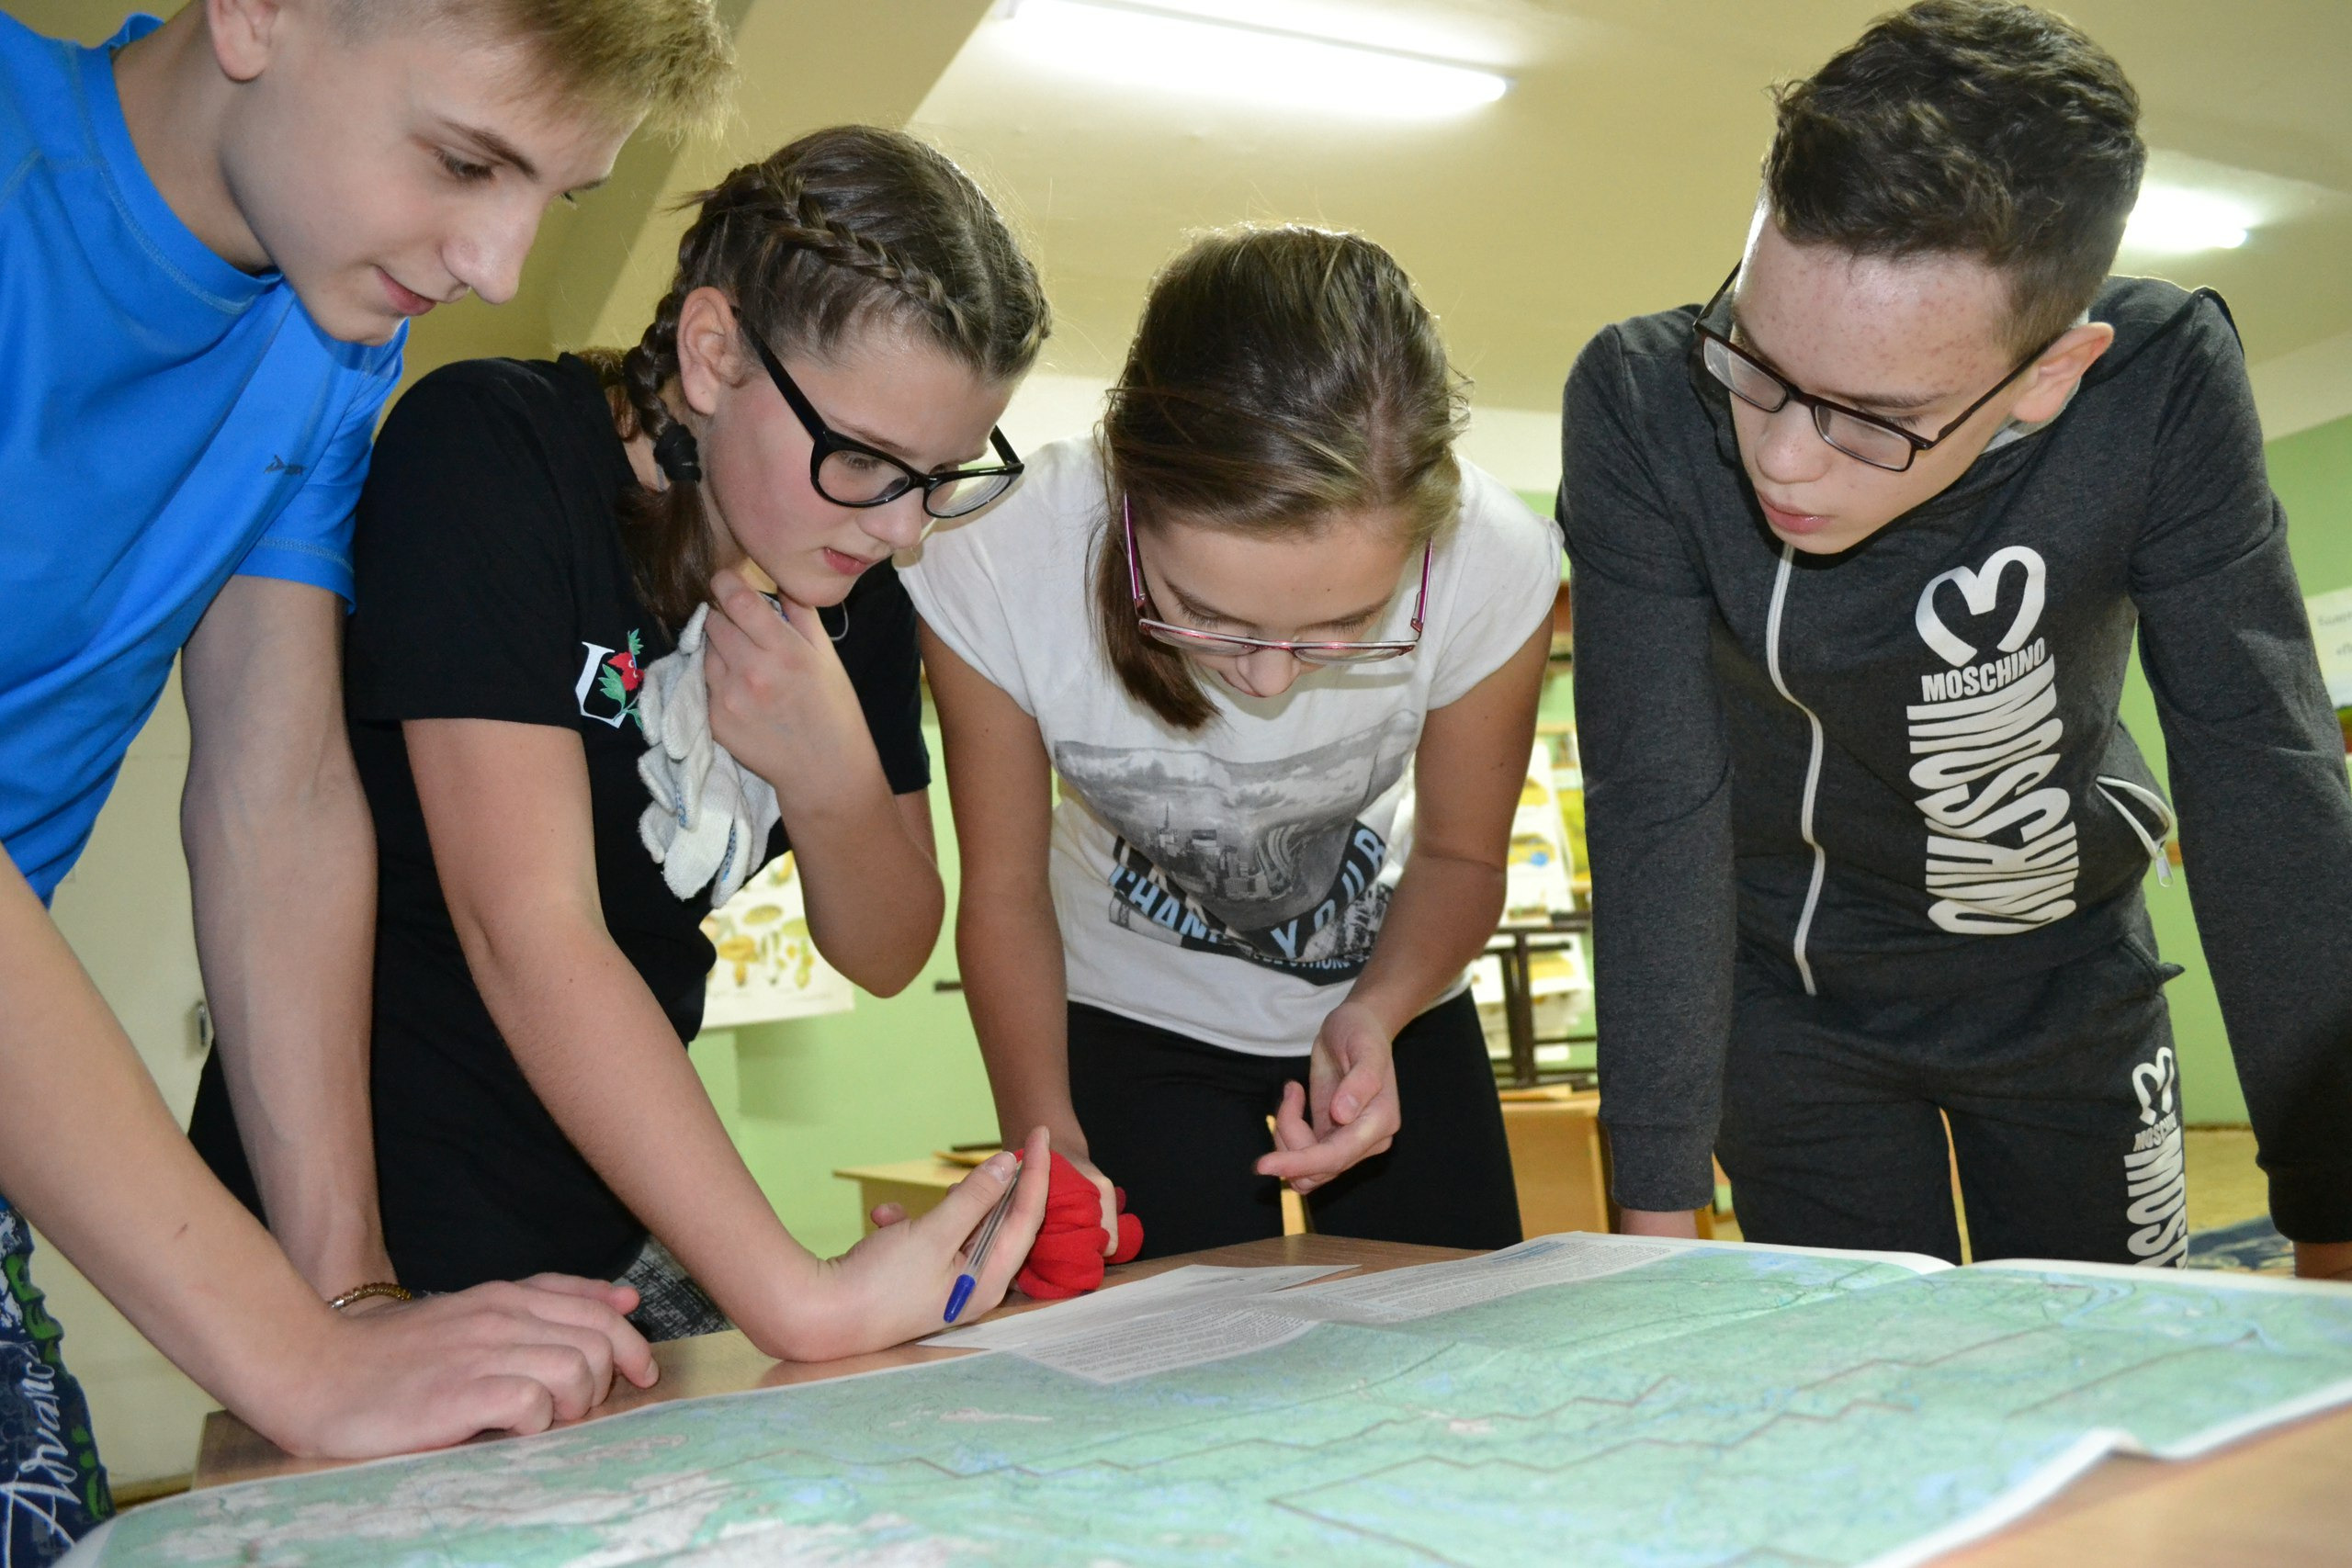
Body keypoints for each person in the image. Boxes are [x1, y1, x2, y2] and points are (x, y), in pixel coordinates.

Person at [0, 1, 731, 1556]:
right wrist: (295, 1355)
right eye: (464, 162)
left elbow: (277, 792)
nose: (501, 268)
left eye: (554, 195)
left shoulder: (324, 321)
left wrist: (351, 1300)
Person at [196, 126, 1058, 1357]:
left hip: (604, 1209)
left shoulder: (848, 571)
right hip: (362, 1209)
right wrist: (796, 1294)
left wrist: (829, 781)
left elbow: (886, 945)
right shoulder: (495, 453)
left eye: (942, 474)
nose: (905, 528)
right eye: (865, 459)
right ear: (712, 353)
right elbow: (527, 932)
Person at [1560, 0, 2352, 1275]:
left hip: (2063, 969)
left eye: (1875, 416)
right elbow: (1655, 804)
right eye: (1753, 356)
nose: (1782, 456)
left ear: (2051, 374)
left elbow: (2263, 769)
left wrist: (2335, 1202)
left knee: (2118, 1353)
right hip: (1790, 996)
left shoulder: (2156, 389)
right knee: (1851, 1371)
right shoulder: (1643, 404)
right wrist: (1654, 1204)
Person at [910, 226, 1557, 1259]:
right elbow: (1002, 888)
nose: (1268, 680)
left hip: (1390, 989)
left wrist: (1378, 1012)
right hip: (1125, 1011)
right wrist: (1047, 1134)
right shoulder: (992, 548)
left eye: (1344, 625)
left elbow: (1461, 856)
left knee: (1458, 1318)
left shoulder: (1494, 559)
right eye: (1208, 616)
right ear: (1128, 499)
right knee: (1159, 1333)